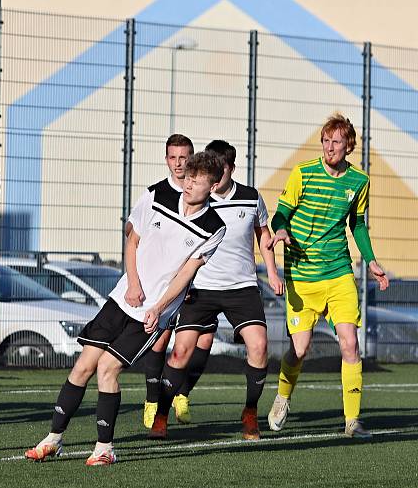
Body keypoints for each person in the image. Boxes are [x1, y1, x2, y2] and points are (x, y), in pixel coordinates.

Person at [24, 151, 226, 466]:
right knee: (82, 367)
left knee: (107, 369)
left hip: (151, 316)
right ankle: (53, 439)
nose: (188, 185)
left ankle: (104, 448)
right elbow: (132, 242)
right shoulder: (157, 196)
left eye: (197, 181)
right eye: (187, 177)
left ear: (211, 187)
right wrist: (132, 284)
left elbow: (187, 272)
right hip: (121, 299)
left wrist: (158, 307)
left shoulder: (214, 227)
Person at [146, 140, 284, 441]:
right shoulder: (197, 199)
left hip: (242, 287)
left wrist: (272, 272)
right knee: (180, 352)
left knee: (259, 346)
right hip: (201, 287)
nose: (212, 178)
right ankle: (162, 412)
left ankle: (250, 412)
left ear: (230, 168)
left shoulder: (250, 198)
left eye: (218, 171)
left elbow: (264, 234)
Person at [266, 114, 388, 438]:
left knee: (350, 343)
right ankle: (282, 396)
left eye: (336, 142)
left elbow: (358, 224)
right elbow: (282, 212)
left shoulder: (359, 181)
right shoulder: (303, 173)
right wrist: (280, 231)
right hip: (301, 275)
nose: (329, 147)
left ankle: (352, 421)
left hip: (338, 272)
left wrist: (372, 261)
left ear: (349, 146)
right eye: (325, 140)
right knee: (301, 349)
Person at [136, 133, 198, 429]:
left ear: (192, 158)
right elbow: (134, 234)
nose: (178, 163)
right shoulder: (154, 194)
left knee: (191, 345)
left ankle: (180, 395)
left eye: (184, 157)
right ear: (166, 160)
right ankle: (151, 402)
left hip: (193, 286)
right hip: (161, 287)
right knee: (158, 342)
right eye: (173, 157)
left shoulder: (200, 196)